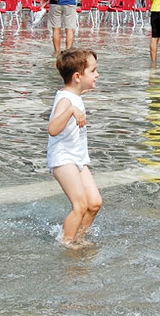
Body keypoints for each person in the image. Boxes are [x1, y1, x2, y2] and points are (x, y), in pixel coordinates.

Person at [47, 48, 102, 248]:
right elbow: (52, 129)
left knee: (94, 203)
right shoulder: (65, 100)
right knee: (79, 205)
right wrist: (70, 110)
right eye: (93, 71)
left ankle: (78, 237)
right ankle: (67, 244)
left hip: (77, 157)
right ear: (77, 76)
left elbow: (75, 93)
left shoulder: (73, 93)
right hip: (63, 158)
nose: (97, 74)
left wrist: (80, 94)